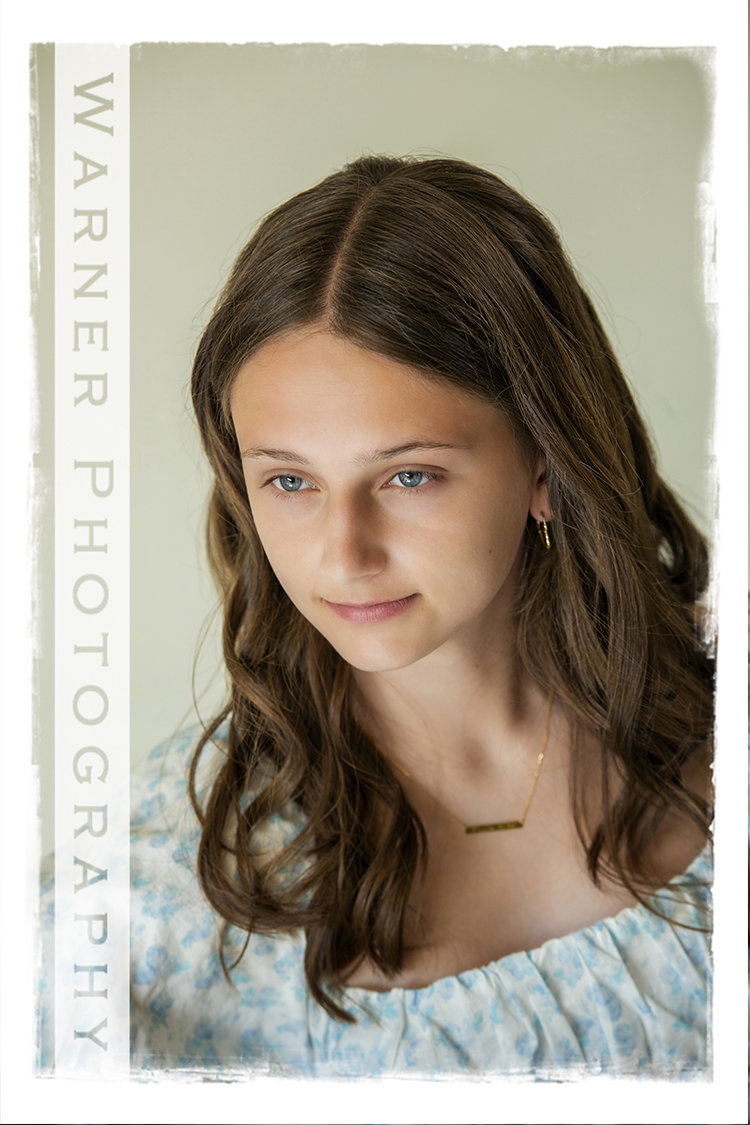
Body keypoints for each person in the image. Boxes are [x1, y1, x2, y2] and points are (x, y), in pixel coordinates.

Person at [46, 155, 714, 1078]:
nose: (341, 552)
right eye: (290, 481)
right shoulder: (147, 902)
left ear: (546, 465)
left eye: (408, 475)